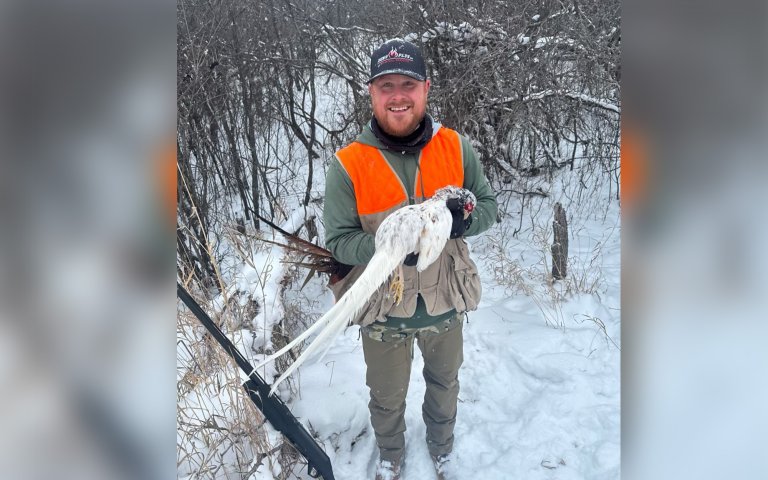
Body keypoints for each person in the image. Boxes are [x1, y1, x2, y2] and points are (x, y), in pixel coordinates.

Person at [323, 38, 497, 480]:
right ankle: (391, 455)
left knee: (445, 385)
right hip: (384, 314)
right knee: (385, 398)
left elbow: (489, 207)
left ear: (426, 88)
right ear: (371, 92)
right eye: (386, 86)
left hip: (444, 306)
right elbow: (339, 242)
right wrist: (389, 244)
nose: (397, 95)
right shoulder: (348, 164)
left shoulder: (456, 147)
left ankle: (442, 448)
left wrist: (460, 224)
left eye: (408, 84)